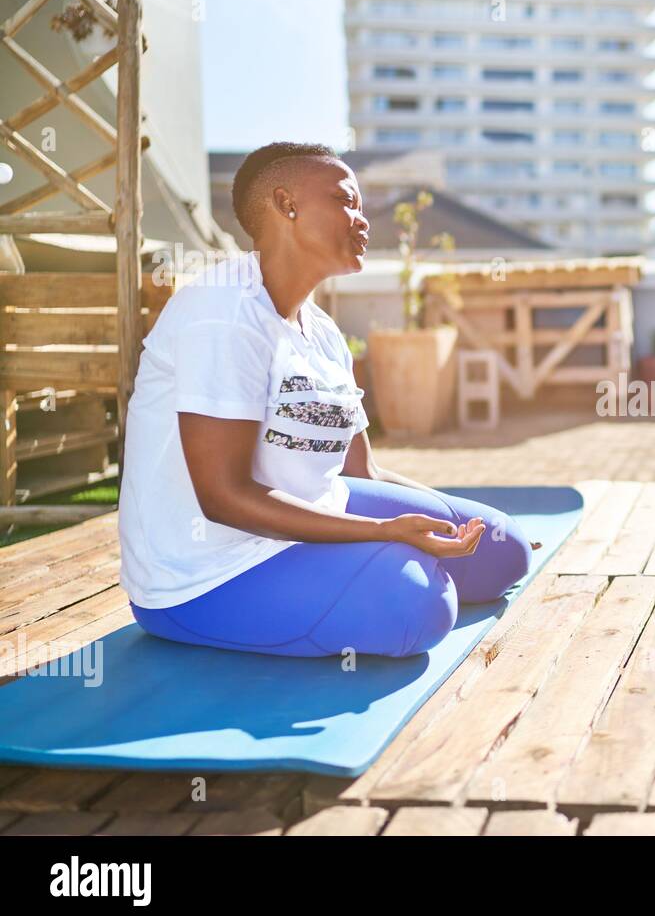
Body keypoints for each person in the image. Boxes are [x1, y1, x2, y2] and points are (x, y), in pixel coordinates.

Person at [118, 142, 534, 659]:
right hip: (206, 571)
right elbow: (222, 498)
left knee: (499, 548)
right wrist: (383, 532)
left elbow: (363, 471)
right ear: (286, 205)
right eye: (346, 201)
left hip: (314, 512)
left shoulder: (323, 330)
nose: (362, 220)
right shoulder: (223, 314)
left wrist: (445, 525)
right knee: (417, 605)